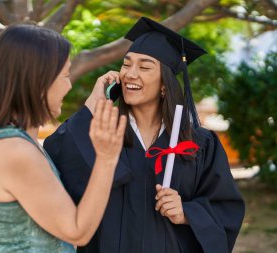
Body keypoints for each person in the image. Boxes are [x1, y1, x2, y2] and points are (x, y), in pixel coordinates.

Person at [44, 17, 245, 253]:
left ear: (164, 85)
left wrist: (188, 213)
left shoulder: (198, 144)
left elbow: (227, 209)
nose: (130, 73)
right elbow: (55, 155)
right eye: (127, 64)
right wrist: (91, 106)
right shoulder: (102, 132)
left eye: (145, 66)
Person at [0, 23, 127, 252]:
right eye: (65, 75)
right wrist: (106, 158)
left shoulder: (14, 139)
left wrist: (93, 105)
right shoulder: (15, 151)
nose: (69, 85)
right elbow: (78, 231)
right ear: (39, 80)